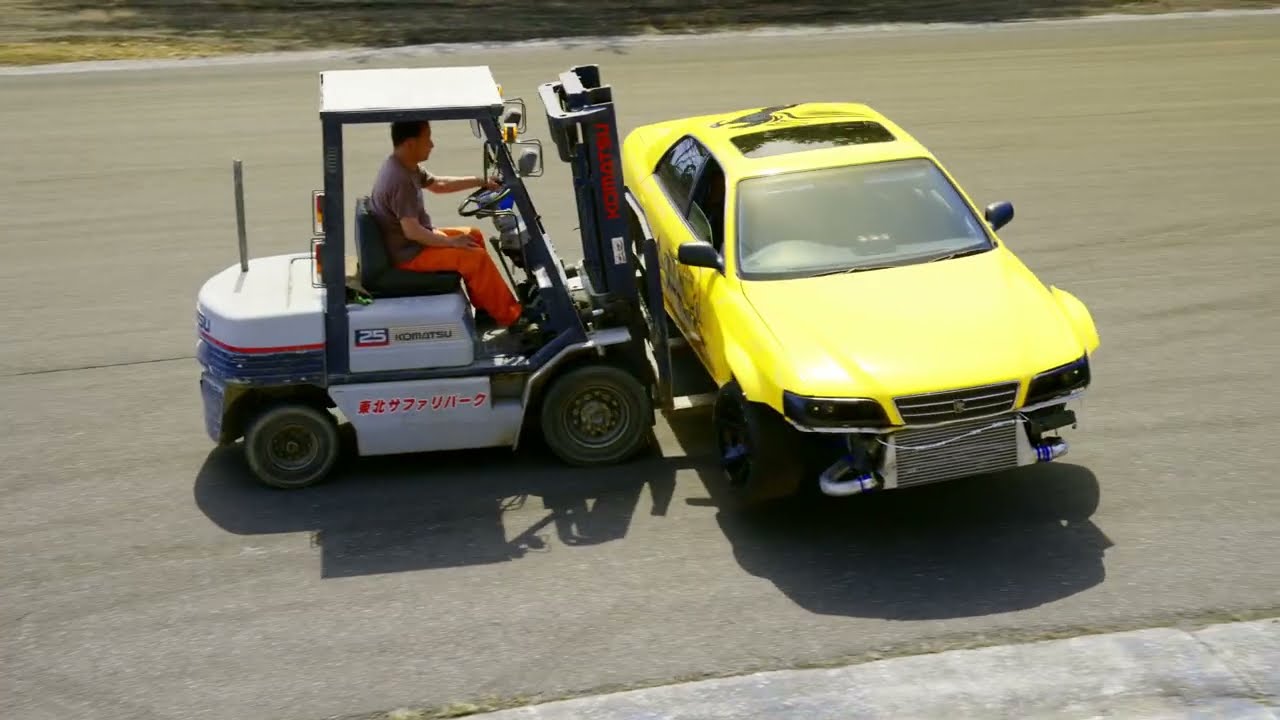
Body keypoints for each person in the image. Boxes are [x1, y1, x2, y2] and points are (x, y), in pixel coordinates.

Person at [369, 119, 524, 327]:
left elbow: (439, 184)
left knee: (473, 235)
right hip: (408, 254)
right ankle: (513, 318)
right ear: (410, 144)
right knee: (474, 258)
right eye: (427, 139)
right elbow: (412, 231)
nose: (432, 145)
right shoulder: (400, 180)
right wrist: (452, 242)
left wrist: (481, 181)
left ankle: (486, 310)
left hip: (410, 244)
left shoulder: (405, 166)